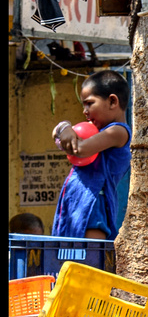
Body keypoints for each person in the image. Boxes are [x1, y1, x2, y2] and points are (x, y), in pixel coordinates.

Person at [50, 69, 131, 241]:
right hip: (78, 202)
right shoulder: (96, 131)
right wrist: (64, 128)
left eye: (89, 103)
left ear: (112, 101)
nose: (84, 111)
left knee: (88, 259)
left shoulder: (118, 131)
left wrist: (66, 130)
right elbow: (56, 135)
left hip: (94, 205)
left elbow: (80, 149)